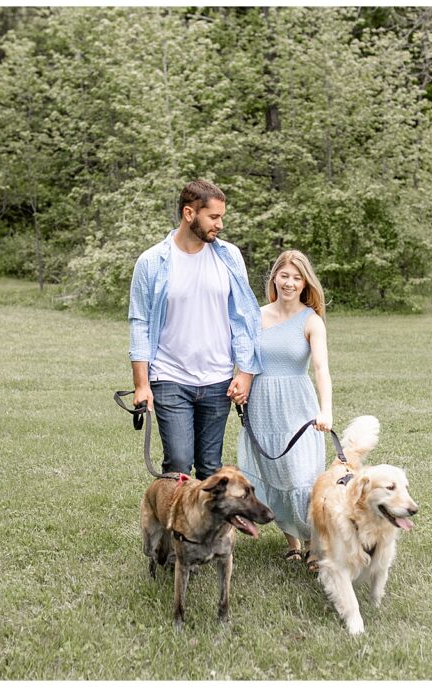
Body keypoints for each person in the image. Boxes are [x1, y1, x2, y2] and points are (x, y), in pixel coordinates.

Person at [128, 179, 262, 479]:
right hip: (169, 377)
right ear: (189, 213)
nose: (221, 224)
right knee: (178, 463)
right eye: (213, 217)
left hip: (218, 380)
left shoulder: (230, 257)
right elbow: (139, 324)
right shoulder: (151, 262)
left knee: (210, 468)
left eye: (221, 217)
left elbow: (245, 319)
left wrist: (245, 372)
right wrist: (141, 385)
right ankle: (175, 526)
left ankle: (206, 528)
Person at [236, 250, 331, 570]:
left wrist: (326, 410)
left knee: (302, 477)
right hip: (262, 405)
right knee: (274, 476)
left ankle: (314, 544)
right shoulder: (256, 317)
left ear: (306, 282)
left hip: (298, 407)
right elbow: (244, 362)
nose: (290, 283)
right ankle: (292, 544)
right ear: (274, 277)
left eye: (297, 277)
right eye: (284, 275)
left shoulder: (311, 320)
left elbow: (321, 369)